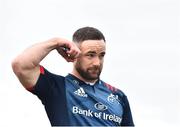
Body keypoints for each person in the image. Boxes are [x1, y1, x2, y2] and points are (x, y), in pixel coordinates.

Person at [12, 26, 134, 126]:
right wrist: (56, 42)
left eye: (101, 55)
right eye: (90, 55)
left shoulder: (118, 96)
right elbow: (21, 65)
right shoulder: (57, 88)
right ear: (74, 53)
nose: (97, 62)